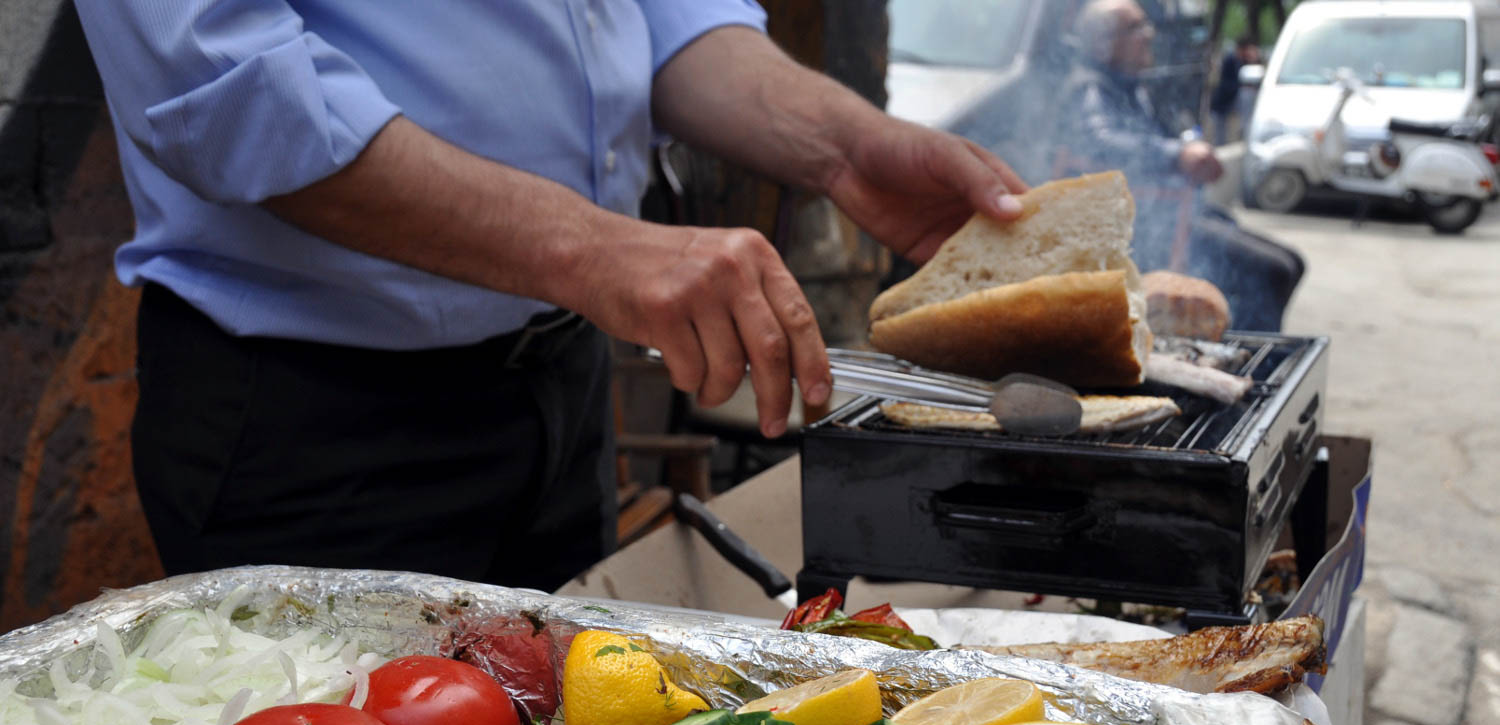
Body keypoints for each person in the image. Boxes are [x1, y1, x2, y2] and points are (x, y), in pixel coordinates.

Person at [71, 2, 1026, 592]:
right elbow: (218, 82)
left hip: (558, 390)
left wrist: (845, 147)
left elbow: (662, 14)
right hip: (311, 418)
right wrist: (596, 250)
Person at [1062, 0, 1303, 332]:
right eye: (1134, 27)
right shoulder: (1091, 86)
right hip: (1147, 224)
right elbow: (1100, 139)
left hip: (1175, 210)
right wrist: (1177, 154)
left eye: (1146, 25)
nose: (1148, 34)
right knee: (1274, 270)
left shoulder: (1132, 86)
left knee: (1292, 261)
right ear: (1103, 41)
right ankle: (1245, 362)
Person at [1210, 35, 1260, 145]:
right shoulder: (1230, 60)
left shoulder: (1244, 61)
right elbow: (1226, 84)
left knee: (1248, 96)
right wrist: (1241, 86)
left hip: (1234, 101)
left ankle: (1246, 132)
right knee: (1219, 138)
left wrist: (1253, 61)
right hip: (1222, 103)